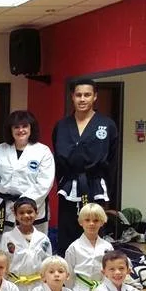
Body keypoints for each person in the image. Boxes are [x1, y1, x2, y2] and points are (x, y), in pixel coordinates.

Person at [53, 79, 119, 254]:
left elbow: (113, 162)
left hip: (95, 184)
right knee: (67, 231)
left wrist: (110, 195)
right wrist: (60, 183)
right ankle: (65, 276)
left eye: (87, 95)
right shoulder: (61, 126)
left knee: (94, 229)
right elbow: (57, 161)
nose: (82, 99)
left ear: (95, 97)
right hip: (69, 185)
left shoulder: (107, 125)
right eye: (78, 95)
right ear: (72, 97)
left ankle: (95, 273)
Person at [0, 110, 54, 236]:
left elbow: (45, 183)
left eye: (25, 126)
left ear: (31, 128)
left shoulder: (42, 151)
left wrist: (23, 204)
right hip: (6, 207)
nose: (21, 130)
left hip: (33, 206)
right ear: (10, 129)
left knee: (34, 244)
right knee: (6, 246)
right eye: (16, 127)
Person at [64, 203, 113, 291]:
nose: (91, 224)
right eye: (87, 220)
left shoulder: (107, 247)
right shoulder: (74, 247)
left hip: (102, 289)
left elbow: (111, 270)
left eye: (96, 220)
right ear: (81, 222)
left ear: (102, 222)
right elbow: (69, 274)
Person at [0, 197, 52, 291]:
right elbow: (2, 263)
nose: (26, 216)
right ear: (15, 215)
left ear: (36, 213)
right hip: (14, 285)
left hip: (37, 286)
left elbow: (48, 264)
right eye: (21, 213)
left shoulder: (43, 238)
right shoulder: (7, 237)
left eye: (30, 212)